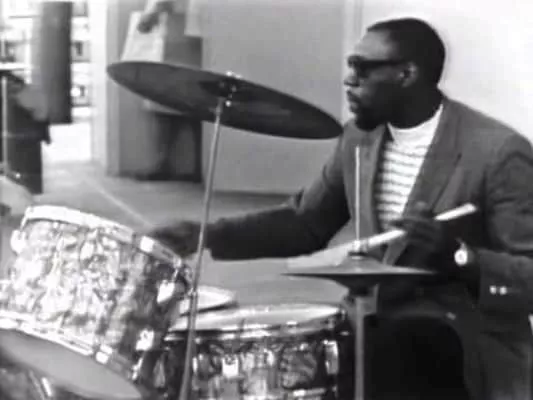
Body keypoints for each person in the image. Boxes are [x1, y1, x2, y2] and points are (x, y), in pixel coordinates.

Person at [148, 18, 533, 400]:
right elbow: (305, 223)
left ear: (407, 74)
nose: (349, 80)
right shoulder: (359, 137)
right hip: (373, 325)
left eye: (363, 69)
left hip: (462, 341)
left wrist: (460, 257)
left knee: (390, 350)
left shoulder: (497, 152)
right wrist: (207, 234)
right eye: (350, 66)